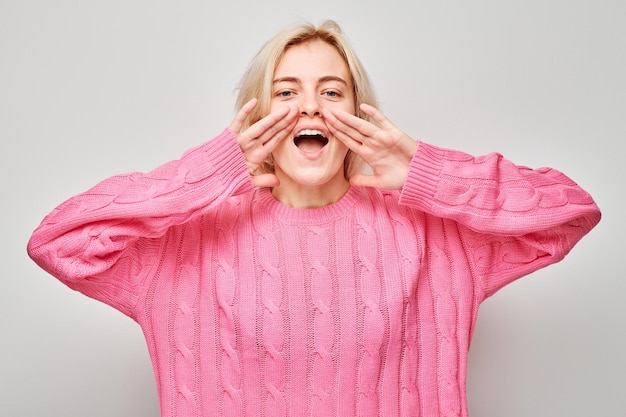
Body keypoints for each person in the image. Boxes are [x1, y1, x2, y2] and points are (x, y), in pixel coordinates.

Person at [27, 19, 601, 417]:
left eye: (331, 91)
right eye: (285, 92)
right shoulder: (185, 244)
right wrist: (210, 171)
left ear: (358, 112)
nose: (309, 108)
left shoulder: (433, 233)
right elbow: (58, 241)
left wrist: (428, 170)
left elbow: (570, 211)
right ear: (252, 117)